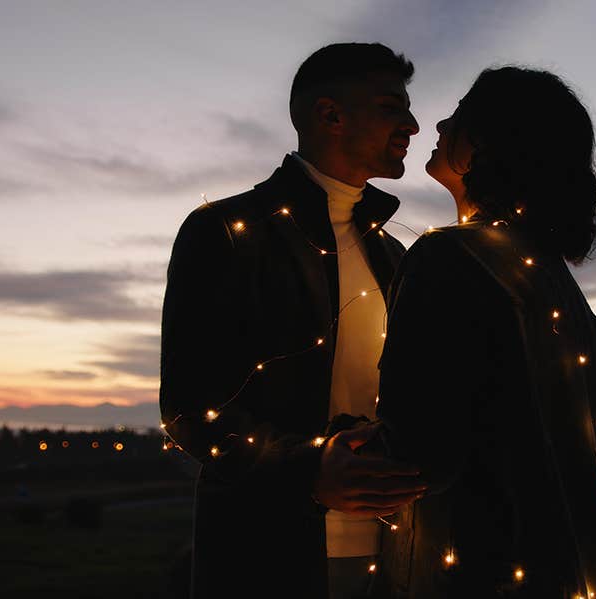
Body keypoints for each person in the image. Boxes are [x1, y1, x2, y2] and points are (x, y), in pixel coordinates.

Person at [159, 43, 427, 598]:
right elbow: (190, 407)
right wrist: (309, 468)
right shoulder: (229, 231)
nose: (413, 123)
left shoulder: (393, 256)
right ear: (329, 116)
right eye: (390, 107)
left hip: (392, 558)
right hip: (267, 556)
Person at [370, 67, 596, 598]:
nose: (438, 124)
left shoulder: (449, 257)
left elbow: (417, 454)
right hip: (566, 573)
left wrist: (330, 448)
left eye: (458, 115)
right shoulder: (552, 279)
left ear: (484, 143)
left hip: (467, 576)